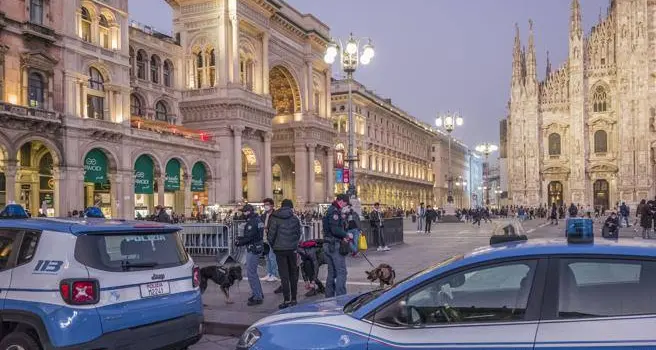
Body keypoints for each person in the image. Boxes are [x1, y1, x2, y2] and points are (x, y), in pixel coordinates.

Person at [267, 199, 302, 309]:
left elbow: (270, 236)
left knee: (284, 275)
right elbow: (298, 235)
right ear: (291, 207)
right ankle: (294, 299)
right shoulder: (295, 219)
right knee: (293, 274)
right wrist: (294, 245)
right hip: (292, 250)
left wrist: (274, 246)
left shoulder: (275, 218)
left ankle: (286, 300)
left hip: (280, 250)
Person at [235, 204, 265, 306]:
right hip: (257, 247)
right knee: (253, 273)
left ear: (248, 212)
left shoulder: (252, 222)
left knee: (251, 273)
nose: (243, 213)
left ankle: (257, 296)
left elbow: (249, 237)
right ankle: (258, 293)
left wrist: (239, 242)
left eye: (244, 212)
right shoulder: (258, 220)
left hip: (252, 248)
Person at [323, 194, 351, 297]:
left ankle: (329, 296)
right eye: (345, 203)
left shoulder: (330, 210)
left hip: (327, 244)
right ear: (341, 201)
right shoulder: (334, 211)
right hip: (334, 245)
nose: (345, 205)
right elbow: (335, 229)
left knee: (332, 273)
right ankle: (341, 297)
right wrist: (346, 234)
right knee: (341, 272)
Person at [260, 198, 280, 283]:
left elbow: (276, 226)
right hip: (264, 238)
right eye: (265, 205)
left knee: (272, 257)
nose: (266, 206)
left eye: (267, 204)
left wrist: (269, 229)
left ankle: (274, 274)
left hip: (272, 239)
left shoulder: (276, 215)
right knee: (267, 257)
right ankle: (269, 273)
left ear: (272, 205)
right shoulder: (263, 215)